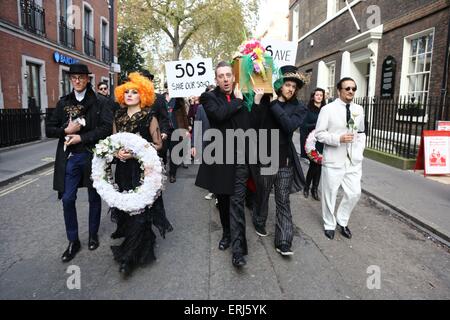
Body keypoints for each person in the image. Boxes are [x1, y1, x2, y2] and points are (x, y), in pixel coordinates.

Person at [45, 63, 113, 262]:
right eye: (74, 77)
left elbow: (106, 128)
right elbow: (49, 129)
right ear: (70, 79)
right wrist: (66, 132)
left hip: (93, 156)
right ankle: (73, 240)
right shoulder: (63, 103)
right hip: (71, 158)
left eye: (81, 77)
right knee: (67, 199)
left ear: (88, 79)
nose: (77, 80)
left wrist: (81, 138)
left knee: (93, 197)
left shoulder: (100, 101)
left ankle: (93, 235)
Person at [110, 72, 173, 277]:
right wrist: (117, 152)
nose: (129, 95)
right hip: (123, 171)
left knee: (141, 211)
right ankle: (141, 245)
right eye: (126, 91)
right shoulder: (118, 117)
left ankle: (128, 258)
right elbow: (112, 143)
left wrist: (137, 151)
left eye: (134, 92)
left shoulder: (149, 116)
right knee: (128, 210)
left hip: (142, 170)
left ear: (142, 95)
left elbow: (158, 145)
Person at [195, 61, 255, 267]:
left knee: (237, 203)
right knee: (223, 201)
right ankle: (227, 234)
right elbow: (219, 115)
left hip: (240, 159)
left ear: (234, 77)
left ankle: (238, 251)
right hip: (220, 159)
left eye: (228, 75)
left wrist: (255, 101)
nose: (225, 79)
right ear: (216, 80)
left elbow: (251, 125)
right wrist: (238, 101)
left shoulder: (244, 97)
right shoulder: (209, 98)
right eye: (221, 76)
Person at [252, 65, 308, 256]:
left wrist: (275, 104)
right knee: (263, 195)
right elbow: (255, 125)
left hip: (285, 162)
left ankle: (283, 241)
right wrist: (258, 102)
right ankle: (259, 220)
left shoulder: (299, 107)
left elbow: (289, 125)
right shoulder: (267, 101)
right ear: (279, 84)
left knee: (283, 201)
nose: (291, 89)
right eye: (287, 84)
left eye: (294, 86)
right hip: (266, 159)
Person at [315, 77, 366, 240]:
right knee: (330, 193)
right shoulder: (328, 109)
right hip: (334, 158)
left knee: (354, 193)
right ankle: (329, 224)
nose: (351, 91)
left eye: (353, 88)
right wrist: (338, 139)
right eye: (347, 88)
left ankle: (342, 220)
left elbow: (362, 132)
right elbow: (319, 134)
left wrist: (359, 152)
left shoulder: (359, 109)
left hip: (353, 161)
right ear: (339, 91)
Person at [301, 88, 326, 201]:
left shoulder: (326, 110)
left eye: (321, 95)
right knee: (314, 165)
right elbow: (304, 126)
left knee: (319, 165)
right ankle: (307, 187)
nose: (319, 97)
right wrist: (317, 125)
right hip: (312, 142)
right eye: (317, 95)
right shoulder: (308, 110)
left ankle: (314, 189)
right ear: (313, 97)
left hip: (322, 142)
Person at [168, 97, 190, 183]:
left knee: (174, 152)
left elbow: (184, 116)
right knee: (163, 153)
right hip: (163, 130)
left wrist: (186, 130)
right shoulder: (161, 98)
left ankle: (172, 174)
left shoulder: (178, 100)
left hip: (176, 130)